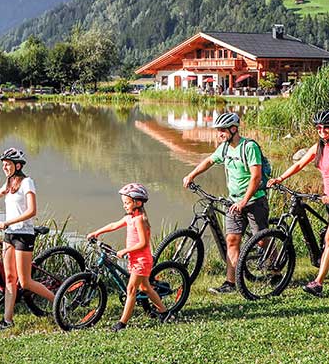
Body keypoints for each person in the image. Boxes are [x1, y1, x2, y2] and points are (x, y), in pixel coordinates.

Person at [268, 108, 329, 295]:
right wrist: (280, 178)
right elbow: (299, 164)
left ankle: (318, 283)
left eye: (327, 127)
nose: (323, 131)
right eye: (319, 128)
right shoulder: (318, 148)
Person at [0, 147, 56, 332]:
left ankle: (59, 301)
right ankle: (7, 321)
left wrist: (8, 222)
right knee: (10, 278)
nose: (5, 167)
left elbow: (32, 211)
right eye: (4, 165)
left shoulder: (27, 183)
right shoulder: (9, 182)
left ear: (18, 165)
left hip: (23, 234)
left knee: (25, 281)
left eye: (8, 164)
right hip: (9, 235)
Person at [181, 111, 268, 294]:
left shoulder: (249, 147)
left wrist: (245, 201)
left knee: (261, 241)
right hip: (233, 201)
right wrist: (191, 175)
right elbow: (209, 161)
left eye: (222, 130)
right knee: (232, 240)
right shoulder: (225, 148)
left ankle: (275, 269)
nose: (219, 134)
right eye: (218, 130)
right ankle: (230, 282)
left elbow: (256, 177)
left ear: (234, 129)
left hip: (254, 200)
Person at [86, 183, 166, 331]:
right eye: (123, 203)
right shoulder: (129, 218)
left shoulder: (140, 220)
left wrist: (125, 250)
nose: (124, 206)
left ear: (138, 202)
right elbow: (113, 225)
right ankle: (164, 312)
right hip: (134, 259)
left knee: (131, 290)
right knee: (146, 288)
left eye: (127, 203)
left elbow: (143, 243)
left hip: (142, 260)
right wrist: (96, 232)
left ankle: (122, 324)